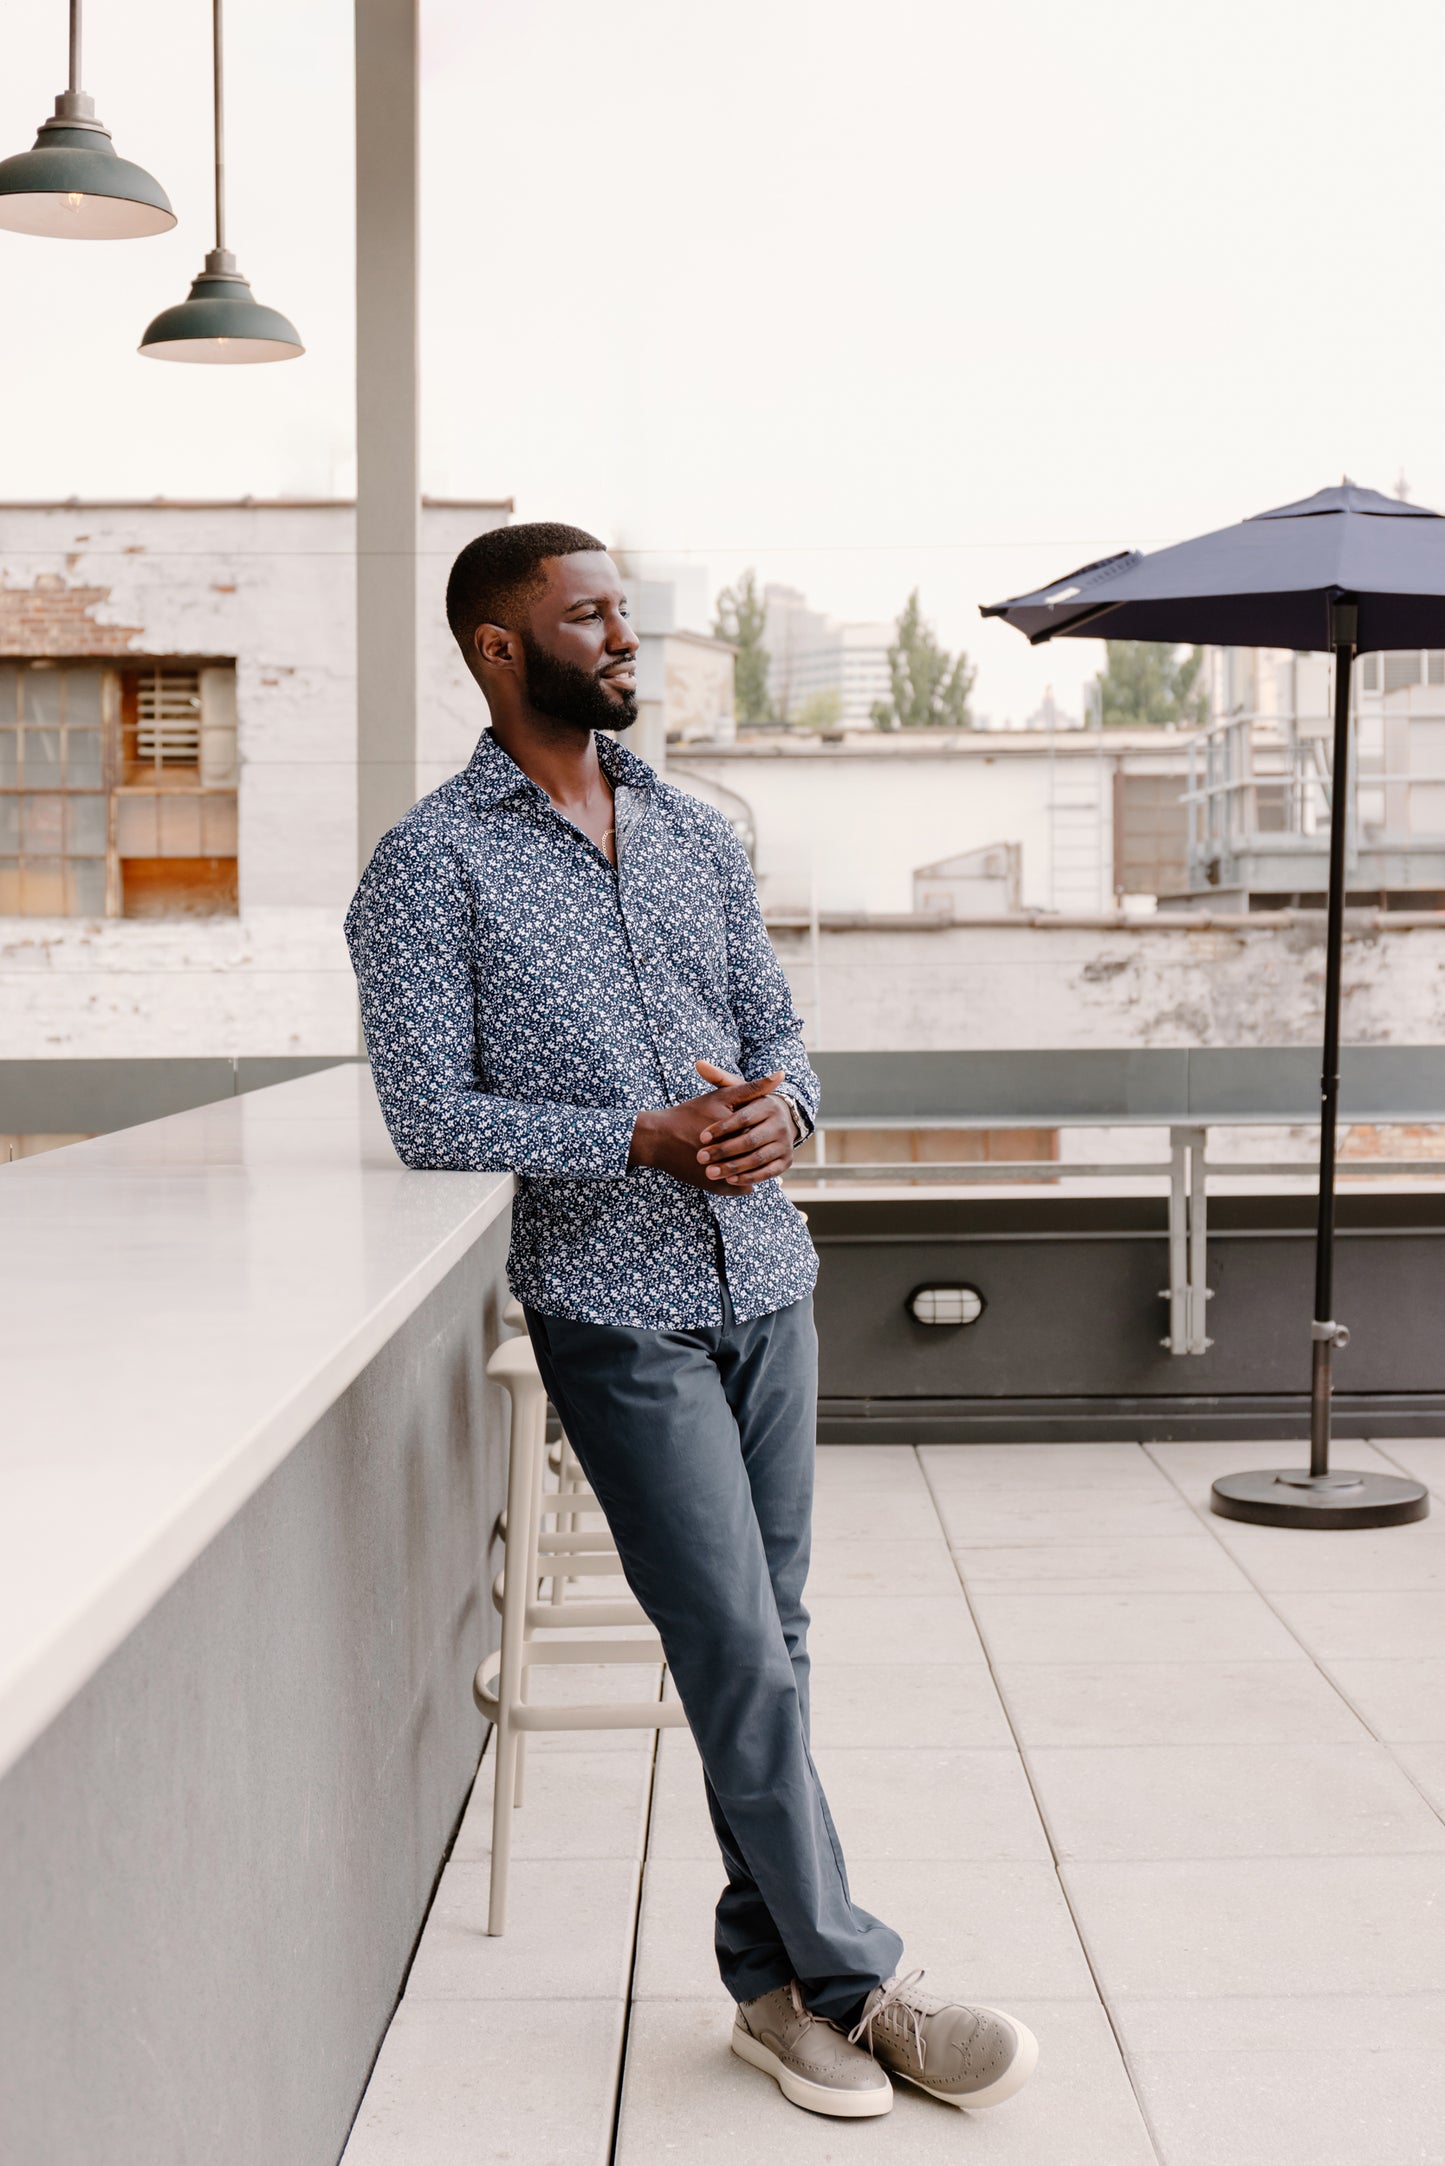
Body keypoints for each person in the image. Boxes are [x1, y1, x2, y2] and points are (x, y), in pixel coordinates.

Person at [345, 522, 1039, 2120]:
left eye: (627, 614)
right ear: (498, 650)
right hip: (612, 1307)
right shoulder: (427, 866)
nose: (626, 639)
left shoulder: (693, 831)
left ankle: (769, 1990)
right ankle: (866, 1984)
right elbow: (427, 1113)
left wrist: (778, 1113)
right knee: (733, 1644)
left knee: (769, 1648)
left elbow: (785, 1034)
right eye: (588, 618)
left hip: (767, 1281)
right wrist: (636, 1136)